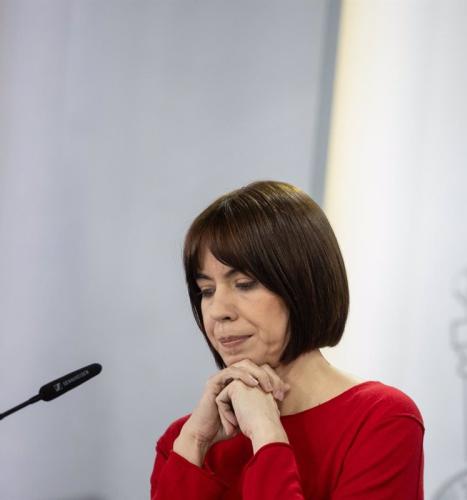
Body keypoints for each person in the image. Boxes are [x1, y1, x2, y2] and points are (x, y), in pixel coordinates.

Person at [150, 181, 424, 499]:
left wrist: (266, 434)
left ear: (303, 284)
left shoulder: (381, 419)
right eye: (206, 291)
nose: (217, 311)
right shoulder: (185, 441)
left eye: (244, 284)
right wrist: (195, 441)